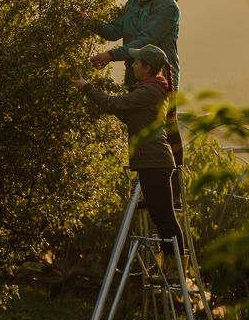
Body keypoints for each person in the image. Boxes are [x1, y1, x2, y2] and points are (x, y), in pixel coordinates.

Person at [70, 44, 183, 256]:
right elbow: (129, 114)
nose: (132, 65)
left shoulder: (149, 91)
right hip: (152, 161)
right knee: (161, 217)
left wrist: (87, 87)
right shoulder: (153, 89)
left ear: (147, 67)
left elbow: (113, 105)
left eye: (137, 62)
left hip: (154, 162)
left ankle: (174, 267)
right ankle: (172, 265)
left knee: (164, 217)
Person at [74, 0, 183, 165]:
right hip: (137, 75)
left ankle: (175, 190)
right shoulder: (135, 0)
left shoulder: (167, 7)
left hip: (163, 82)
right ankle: (145, 190)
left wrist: (111, 55)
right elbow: (116, 30)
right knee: (138, 131)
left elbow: (146, 39)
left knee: (167, 132)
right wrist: (89, 22)